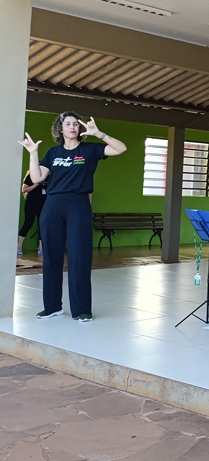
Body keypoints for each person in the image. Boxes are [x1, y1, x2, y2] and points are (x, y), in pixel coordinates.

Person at [18, 112, 127, 321]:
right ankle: (52, 306)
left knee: (79, 257)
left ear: (79, 129)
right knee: (51, 258)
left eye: (75, 124)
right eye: (67, 124)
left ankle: (81, 309)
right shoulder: (53, 152)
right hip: (52, 205)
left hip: (78, 205)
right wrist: (33, 153)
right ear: (60, 128)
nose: (72, 127)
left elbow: (121, 148)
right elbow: (37, 177)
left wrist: (99, 134)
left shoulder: (90, 149)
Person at [18, 170, 47, 256]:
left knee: (42, 224)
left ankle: (41, 248)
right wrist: (34, 185)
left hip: (43, 203)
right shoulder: (30, 177)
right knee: (28, 223)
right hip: (31, 203)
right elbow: (24, 189)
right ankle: (19, 247)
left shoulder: (47, 177)